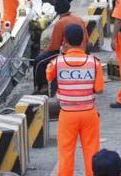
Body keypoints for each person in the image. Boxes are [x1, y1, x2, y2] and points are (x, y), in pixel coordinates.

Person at [46, 24, 104, 176]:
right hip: (89, 113)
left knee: (66, 153)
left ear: (64, 41)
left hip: (67, 114)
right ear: (84, 40)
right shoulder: (94, 62)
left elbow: (49, 77)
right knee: (92, 151)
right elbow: (99, 89)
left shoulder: (57, 63)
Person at [33, 0, 88, 94]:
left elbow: (54, 46)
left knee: (39, 62)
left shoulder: (60, 23)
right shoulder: (79, 19)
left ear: (56, 10)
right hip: (82, 49)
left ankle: (42, 87)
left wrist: (44, 51)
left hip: (68, 52)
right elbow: (86, 39)